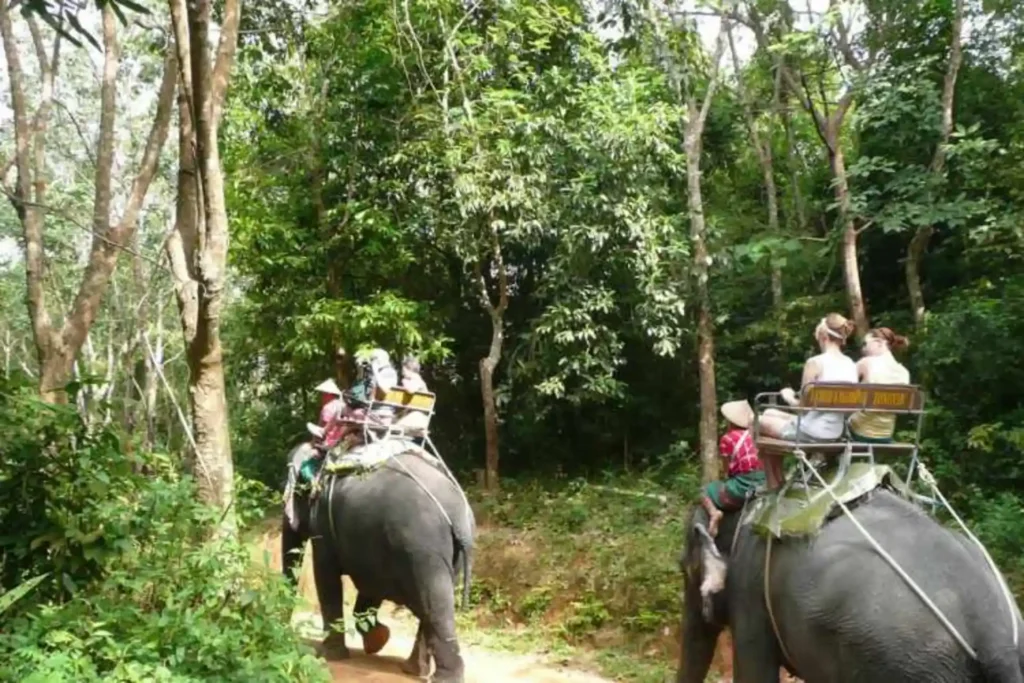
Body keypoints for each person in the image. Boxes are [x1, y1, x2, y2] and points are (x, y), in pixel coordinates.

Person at [757, 312, 859, 489]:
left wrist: (788, 396)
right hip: (835, 430)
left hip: (813, 432)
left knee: (757, 421)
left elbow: (802, 408)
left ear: (824, 336)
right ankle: (779, 480)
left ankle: (774, 483)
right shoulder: (850, 363)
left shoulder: (815, 362)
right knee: (769, 412)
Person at [701, 399, 765, 537]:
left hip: (743, 486)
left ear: (730, 422)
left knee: (706, 490)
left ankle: (714, 513)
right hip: (765, 482)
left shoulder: (728, 438)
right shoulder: (758, 434)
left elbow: (727, 470)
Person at [848, 327, 911, 443]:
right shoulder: (904, 372)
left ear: (879, 342)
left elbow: (846, 386)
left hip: (859, 430)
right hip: (886, 434)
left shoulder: (866, 363)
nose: (863, 349)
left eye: (865, 344)